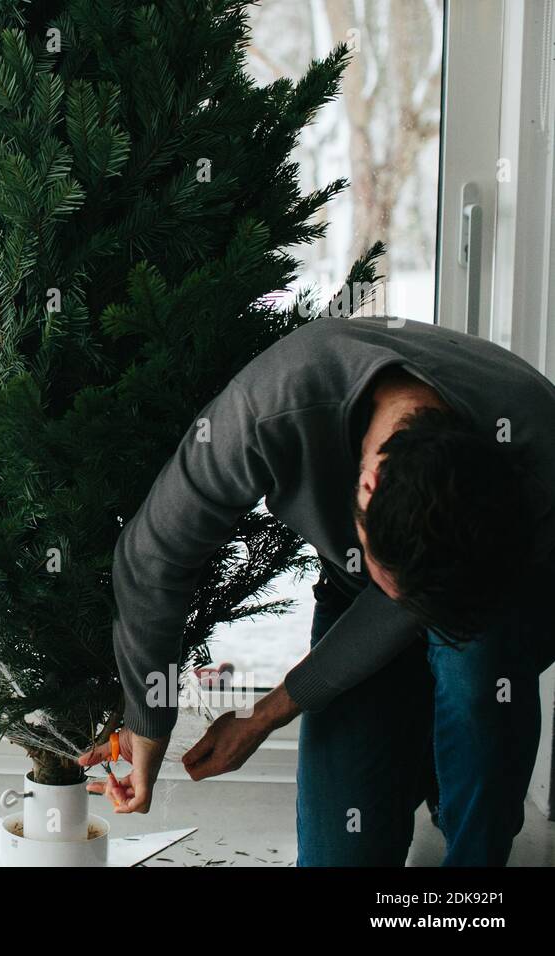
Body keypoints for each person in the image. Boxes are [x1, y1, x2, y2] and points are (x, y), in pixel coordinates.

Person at [81, 315, 555, 865]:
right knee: (340, 855)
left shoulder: (534, 449)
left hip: (506, 593)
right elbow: (152, 556)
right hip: (359, 592)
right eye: (393, 583)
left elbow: (405, 609)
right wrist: (149, 724)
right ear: (368, 485)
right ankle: (418, 751)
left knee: (477, 677)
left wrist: (270, 712)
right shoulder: (271, 406)